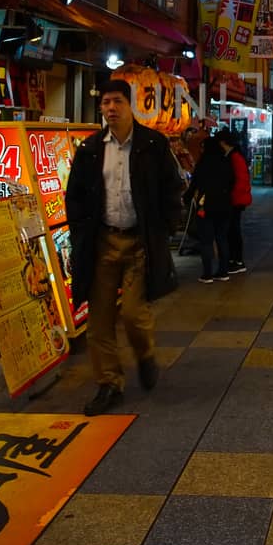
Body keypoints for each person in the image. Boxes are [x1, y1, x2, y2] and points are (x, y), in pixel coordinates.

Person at [65, 79, 185, 415]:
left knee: (134, 313)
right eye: (105, 102)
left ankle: (144, 354)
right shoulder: (90, 149)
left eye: (117, 101)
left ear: (131, 105)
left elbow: (172, 189)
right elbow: (73, 196)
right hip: (102, 242)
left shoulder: (153, 144)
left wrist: (165, 230)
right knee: (98, 319)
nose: (110, 109)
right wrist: (80, 234)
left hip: (139, 242)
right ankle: (108, 383)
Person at [184, 135, 233, 284]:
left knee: (206, 240)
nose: (201, 149)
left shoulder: (203, 163)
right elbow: (232, 181)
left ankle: (207, 274)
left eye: (203, 147)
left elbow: (194, 184)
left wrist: (187, 198)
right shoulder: (225, 161)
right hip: (224, 206)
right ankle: (223, 271)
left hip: (206, 206)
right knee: (222, 238)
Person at [217, 128, 252, 276]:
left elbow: (240, 181)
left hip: (235, 199)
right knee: (233, 229)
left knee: (233, 230)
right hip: (237, 198)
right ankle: (235, 260)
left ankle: (237, 261)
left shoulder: (234, 157)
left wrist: (230, 196)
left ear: (223, 142)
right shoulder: (235, 155)